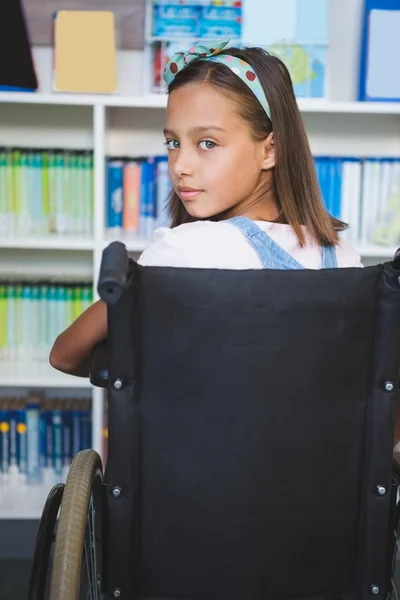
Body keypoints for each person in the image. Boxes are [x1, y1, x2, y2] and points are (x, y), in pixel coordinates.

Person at [49, 38, 363, 380]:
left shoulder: (184, 251)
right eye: (173, 143)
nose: (180, 165)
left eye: (208, 143)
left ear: (270, 150)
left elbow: (65, 355)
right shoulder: (347, 261)